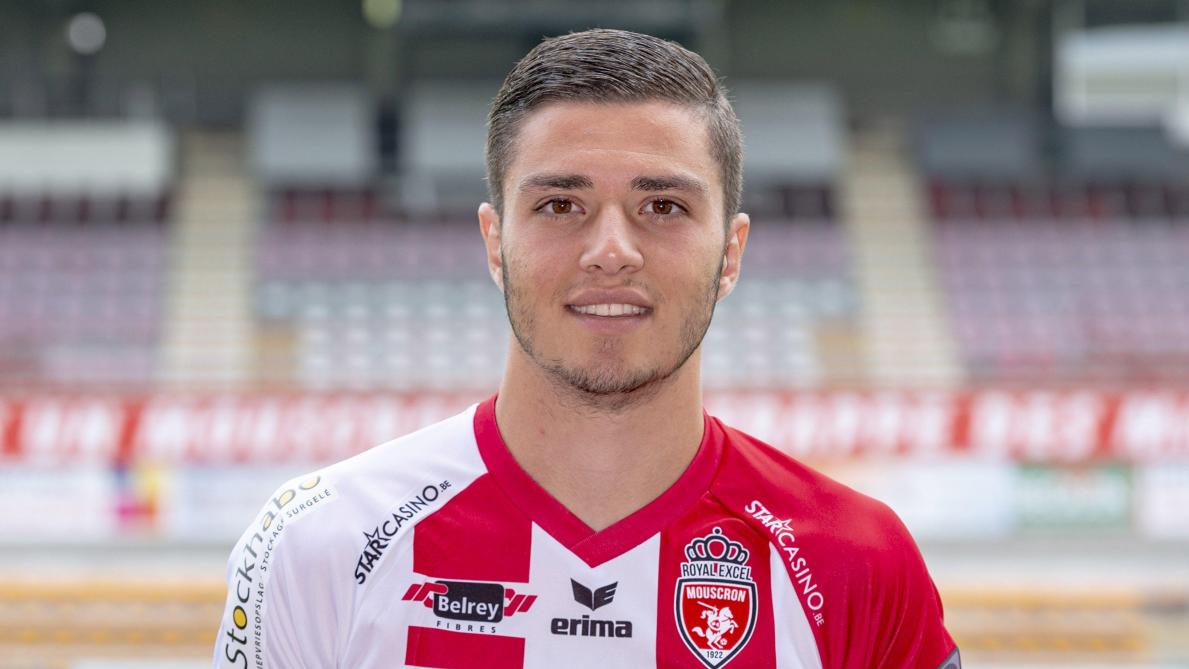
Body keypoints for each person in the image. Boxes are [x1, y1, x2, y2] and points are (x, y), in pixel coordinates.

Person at [213, 28, 960, 669]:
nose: (611, 250)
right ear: (495, 242)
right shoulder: (319, 544)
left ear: (730, 253)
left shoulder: (856, 561)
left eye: (662, 205)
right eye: (560, 204)